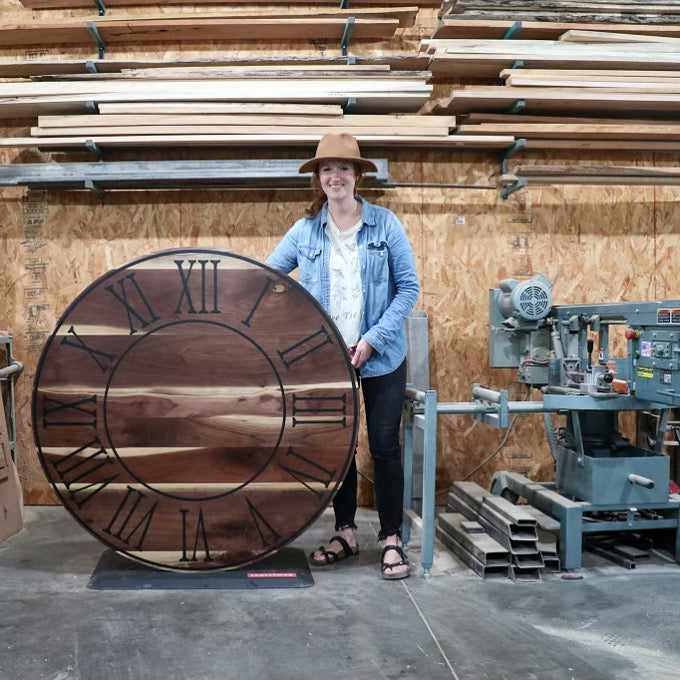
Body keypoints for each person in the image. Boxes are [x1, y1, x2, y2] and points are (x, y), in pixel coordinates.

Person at [266, 132, 419, 580]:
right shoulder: (306, 230)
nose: (336, 176)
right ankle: (346, 532)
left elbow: (408, 288)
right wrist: (301, 329)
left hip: (382, 354)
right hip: (327, 359)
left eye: (344, 168)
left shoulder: (385, 224)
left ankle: (390, 538)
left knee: (384, 446)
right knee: (338, 448)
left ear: (357, 176)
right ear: (318, 178)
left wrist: (371, 338)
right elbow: (269, 276)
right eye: (327, 169)